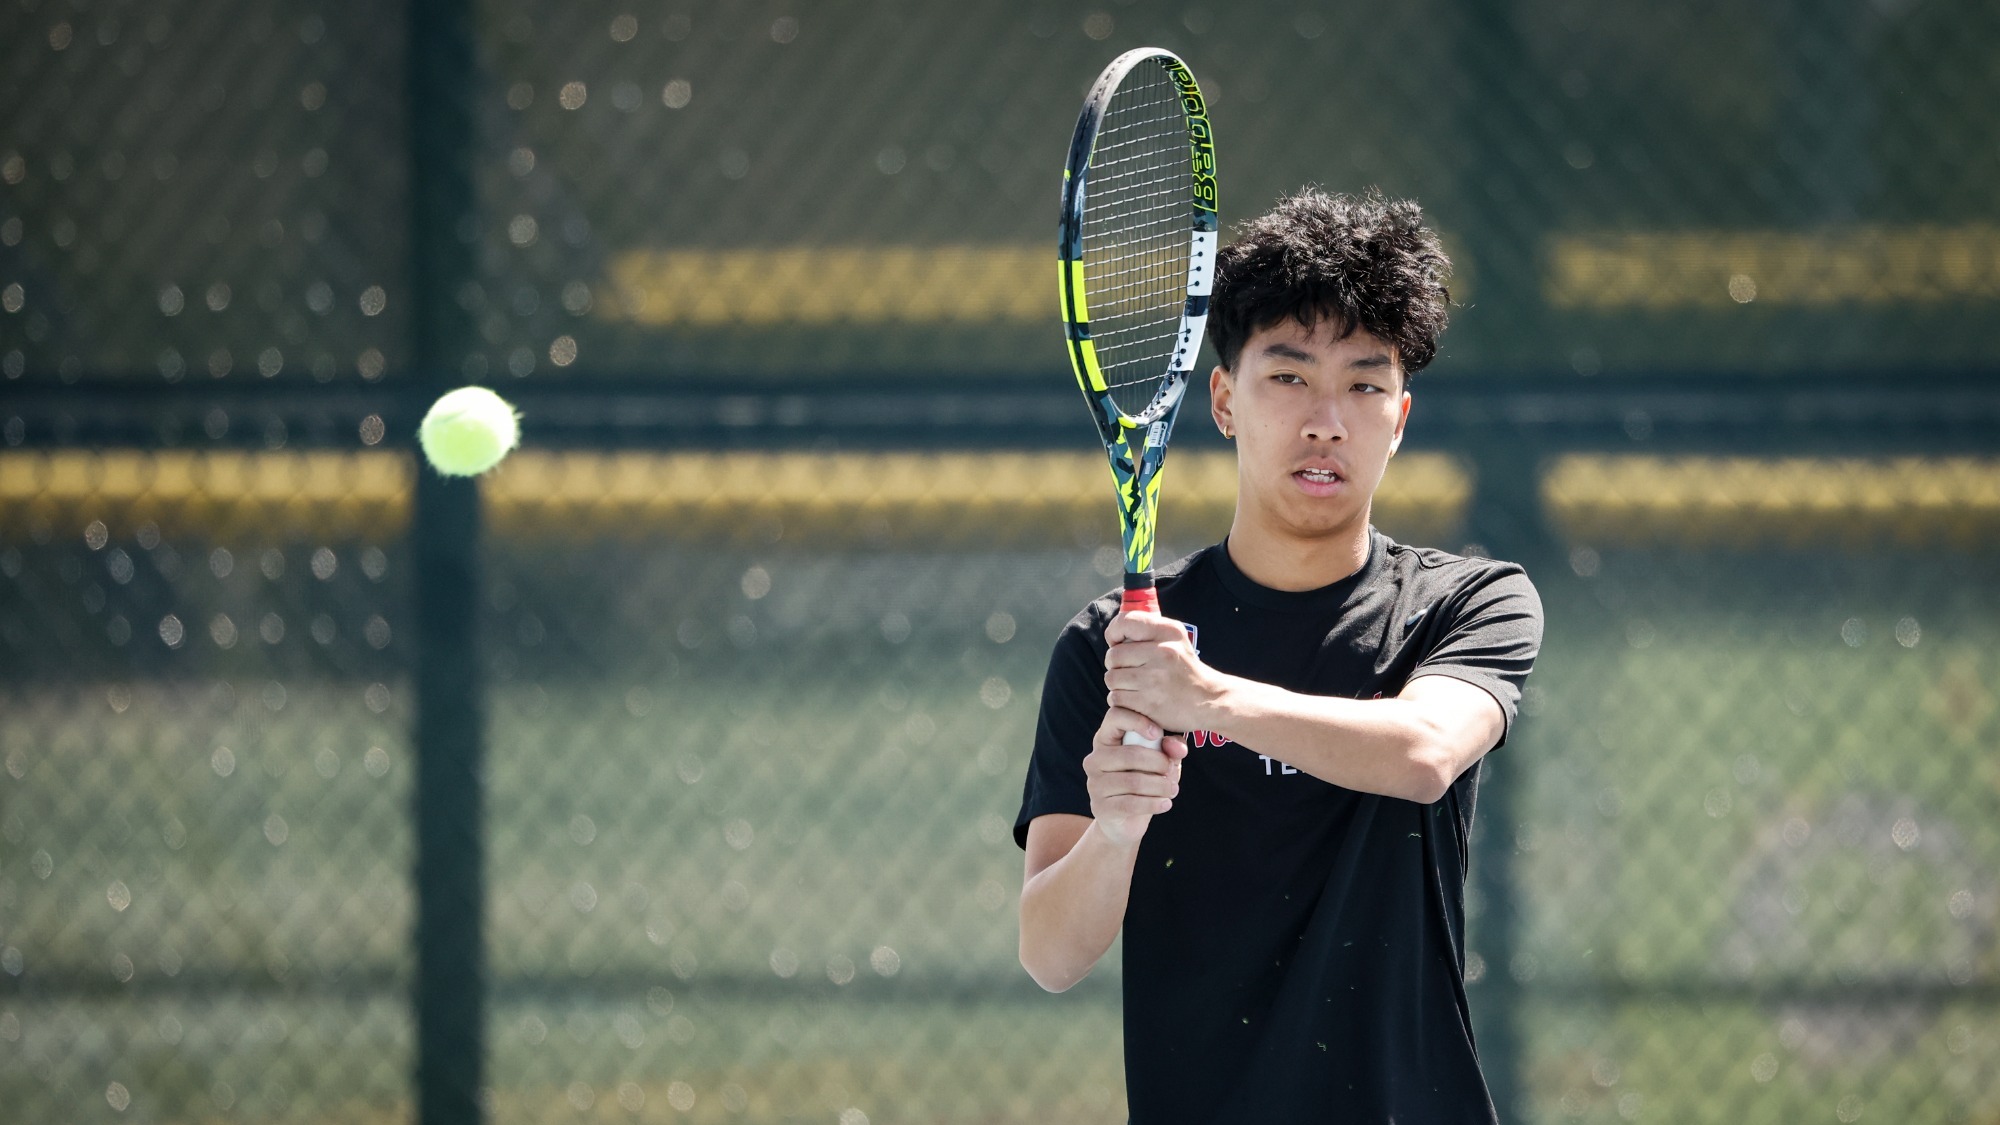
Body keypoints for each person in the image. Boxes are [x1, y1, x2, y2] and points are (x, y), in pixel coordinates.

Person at [1014, 188, 1543, 1123]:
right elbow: (1050, 954)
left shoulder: (1468, 604)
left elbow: (1423, 752)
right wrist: (1118, 830)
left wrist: (1206, 699)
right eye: (1290, 376)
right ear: (1224, 399)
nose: (1326, 420)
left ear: (1400, 419)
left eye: (1364, 385)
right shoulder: (1112, 647)